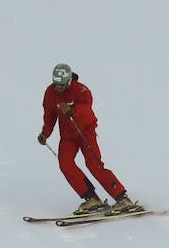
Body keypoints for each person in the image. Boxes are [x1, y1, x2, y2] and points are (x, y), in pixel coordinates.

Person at [36, 63, 142, 216]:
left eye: (61, 84)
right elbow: (49, 115)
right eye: (56, 84)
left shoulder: (81, 90)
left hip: (85, 132)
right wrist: (45, 133)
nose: (58, 87)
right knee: (65, 164)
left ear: (69, 80)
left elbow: (87, 107)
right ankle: (91, 198)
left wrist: (72, 110)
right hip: (67, 136)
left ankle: (122, 198)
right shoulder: (50, 92)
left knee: (93, 164)